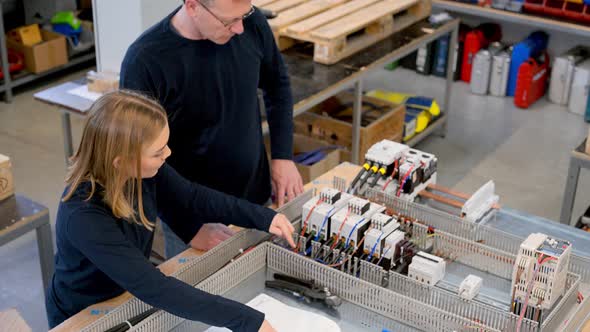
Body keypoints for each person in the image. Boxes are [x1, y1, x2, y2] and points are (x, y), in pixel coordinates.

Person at [45, 91, 295, 331]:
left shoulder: (141, 171)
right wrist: (247, 321)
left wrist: (265, 217)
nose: (168, 153)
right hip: (83, 314)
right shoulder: (83, 217)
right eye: (158, 152)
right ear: (121, 161)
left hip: (124, 293)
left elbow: (192, 196)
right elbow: (154, 287)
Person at [119, 0, 303, 257]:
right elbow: (140, 163)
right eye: (229, 21)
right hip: (198, 220)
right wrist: (189, 227)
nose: (240, 28)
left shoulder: (251, 23)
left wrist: (283, 156)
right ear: (193, 6)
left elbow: (277, 86)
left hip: (255, 199)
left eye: (245, 14)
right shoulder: (146, 61)